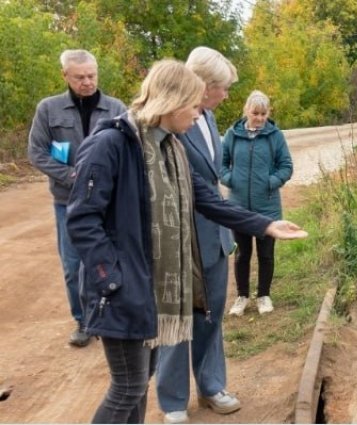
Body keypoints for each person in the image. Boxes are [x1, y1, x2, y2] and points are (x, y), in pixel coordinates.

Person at [65, 59, 307, 424]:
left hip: (148, 290)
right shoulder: (112, 144)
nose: (199, 115)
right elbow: (83, 220)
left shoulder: (171, 148)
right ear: (173, 102)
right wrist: (112, 279)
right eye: (194, 106)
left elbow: (208, 200)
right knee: (128, 387)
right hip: (123, 291)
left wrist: (267, 226)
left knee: (136, 384)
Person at [155, 47, 240, 424]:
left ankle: (211, 385)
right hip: (181, 237)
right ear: (203, 86)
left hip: (215, 235)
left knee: (212, 315)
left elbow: (212, 176)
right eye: (221, 88)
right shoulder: (170, 123)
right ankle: (173, 400)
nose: (225, 95)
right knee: (178, 317)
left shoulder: (208, 119)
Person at [27, 49, 127, 347]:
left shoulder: (116, 108)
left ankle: (112, 317)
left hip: (109, 203)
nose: (87, 82)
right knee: (74, 265)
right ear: (65, 76)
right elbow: (37, 153)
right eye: (79, 77)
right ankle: (83, 321)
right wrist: (73, 176)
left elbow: (128, 151)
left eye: (91, 76)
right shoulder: (49, 109)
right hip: (68, 203)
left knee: (112, 259)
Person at [221, 90, 293, 316]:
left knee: (266, 254)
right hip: (239, 205)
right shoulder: (232, 134)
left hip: (267, 207)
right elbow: (221, 164)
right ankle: (242, 296)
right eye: (255, 113)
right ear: (246, 111)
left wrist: (271, 182)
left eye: (263, 113)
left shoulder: (275, 136)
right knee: (242, 254)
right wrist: (230, 179)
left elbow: (286, 166)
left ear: (268, 113)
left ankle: (263, 295)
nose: (260, 118)